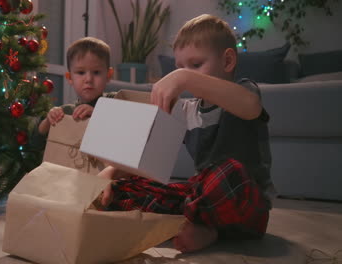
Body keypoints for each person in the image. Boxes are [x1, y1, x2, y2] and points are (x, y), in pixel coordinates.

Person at [97, 14, 276, 253]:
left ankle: (197, 222)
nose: (184, 74)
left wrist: (184, 77)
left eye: (196, 64)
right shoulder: (187, 110)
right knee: (130, 187)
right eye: (179, 67)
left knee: (228, 171)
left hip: (244, 203)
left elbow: (251, 107)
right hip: (201, 200)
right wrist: (110, 173)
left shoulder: (244, 90)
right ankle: (199, 223)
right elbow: (147, 156)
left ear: (228, 61)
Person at [38, 37, 115, 135]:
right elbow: (35, 142)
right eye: (81, 72)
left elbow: (129, 125)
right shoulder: (65, 112)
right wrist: (49, 121)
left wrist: (97, 114)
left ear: (108, 75)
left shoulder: (115, 101)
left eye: (96, 72)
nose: (89, 79)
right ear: (70, 78)